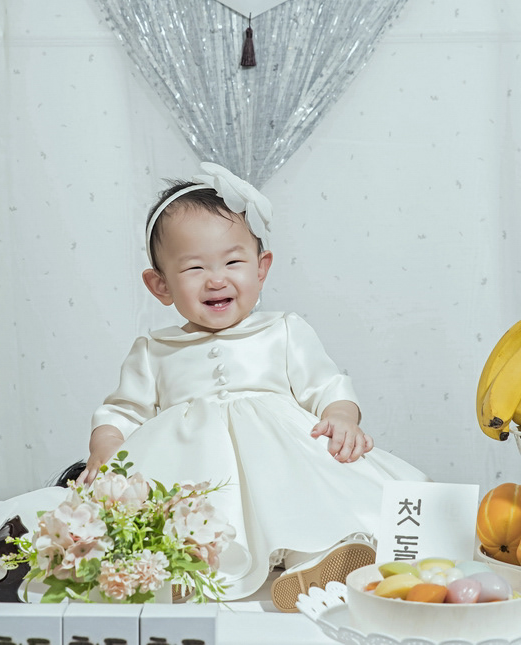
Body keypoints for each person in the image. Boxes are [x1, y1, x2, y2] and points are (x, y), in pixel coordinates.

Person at [78, 163, 428, 609]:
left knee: (306, 495)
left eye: (233, 262)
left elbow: (326, 385)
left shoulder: (283, 330)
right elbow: (123, 411)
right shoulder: (154, 350)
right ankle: (184, 566)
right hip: (194, 467)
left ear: (261, 268)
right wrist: (107, 447)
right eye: (194, 267)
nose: (216, 279)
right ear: (160, 285)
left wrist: (340, 416)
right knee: (181, 516)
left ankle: (317, 561)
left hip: (283, 453)